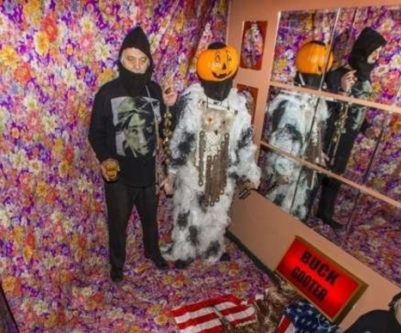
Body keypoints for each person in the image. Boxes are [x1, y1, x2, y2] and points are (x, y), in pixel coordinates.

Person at [160, 42, 260, 269]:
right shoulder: (192, 102)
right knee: (187, 211)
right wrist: (172, 174)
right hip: (192, 170)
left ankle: (212, 248)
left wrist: (251, 172)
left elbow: (245, 143)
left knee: (217, 212)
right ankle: (184, 250)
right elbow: (181, 139)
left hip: (222, 172)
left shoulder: (238, 106)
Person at [89, 26, 176, 283]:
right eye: (131, 59)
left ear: (149, 63)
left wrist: (172, 108)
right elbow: (95, 134)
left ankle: (153, 252)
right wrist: (105, 158)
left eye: (142, 60)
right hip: (119, 177)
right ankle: (117, 265)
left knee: (151, 220)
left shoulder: (155, 91)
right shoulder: (107, 93)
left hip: (149, 173)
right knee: (117, 225)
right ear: (121, 60)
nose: (137, 66)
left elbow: (168, 130)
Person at [316, 27, 387, 229]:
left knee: (335, 177)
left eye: (379, 53)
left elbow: (358, 110)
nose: (377, 57)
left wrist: (367, 128)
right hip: (330, 135)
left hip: (347, 139)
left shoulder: (366, 80)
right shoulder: (337, 74)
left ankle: (325, 213)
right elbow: (322, 109)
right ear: (364, 50)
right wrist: (341, 90)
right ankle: (302, 209)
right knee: (317, 173)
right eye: (374, 51)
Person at [263, 41, 333, 220]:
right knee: (276, 208)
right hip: (286, 170)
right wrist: (283, 171)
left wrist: (317, 152)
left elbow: (315, 133)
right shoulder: (289, 103)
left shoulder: (318, 102)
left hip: (303, 171)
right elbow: (281, 142)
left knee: (295, 206)